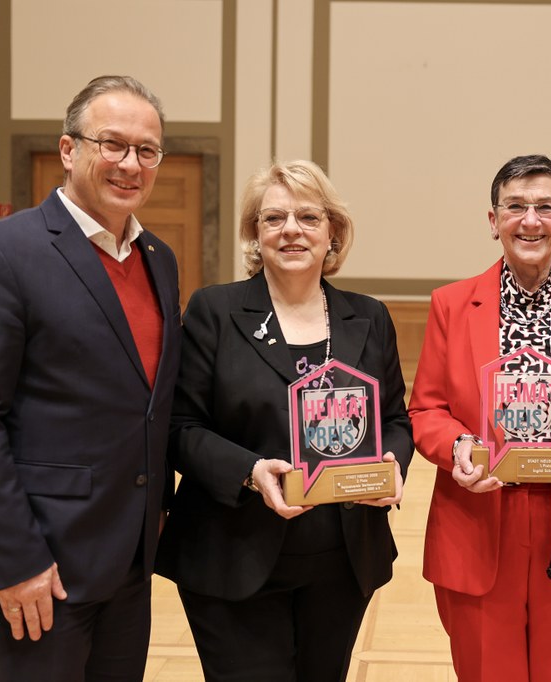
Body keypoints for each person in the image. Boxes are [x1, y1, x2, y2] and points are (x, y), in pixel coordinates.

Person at [0, 75, 181, 681]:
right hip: (39, 563)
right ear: (69, 150)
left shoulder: (159, 260)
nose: (130, 164)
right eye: (112, 144)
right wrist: (16, 560)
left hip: (127, 561)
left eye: (147, 150)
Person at [154, 159, 413, 682]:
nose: (291, 230)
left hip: (341, 561)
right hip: (232, 553)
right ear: (255, 232)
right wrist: (252, 471)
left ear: (332, 232)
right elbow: (180, 427)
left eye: (308, 217)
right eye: (273, 218)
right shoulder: (215, 311)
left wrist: (390, 464)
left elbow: (395, 420)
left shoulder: (370, 316)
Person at [407, 154, 551, 681]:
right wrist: (458, 449)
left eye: (545, 207)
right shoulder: (451, 304)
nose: (530, 220)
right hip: (481, 512)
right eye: (515, 206)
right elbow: (426, 408)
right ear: (493, 221)